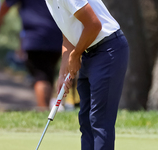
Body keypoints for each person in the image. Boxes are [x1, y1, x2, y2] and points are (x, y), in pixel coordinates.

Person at [45, 0, 129, 150]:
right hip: (89, 51)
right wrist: (62, 73)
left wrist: (76, 55)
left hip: (109, 49)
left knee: (100, 120)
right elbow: (68, 35)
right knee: (86, 119)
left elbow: (94, 25)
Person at [0, 0, 63, 111]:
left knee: (40, 75)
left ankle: (43, 111)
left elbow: (6, 5)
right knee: (48, 73)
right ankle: (46, 108)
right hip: (57, 35)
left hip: (35, 36)